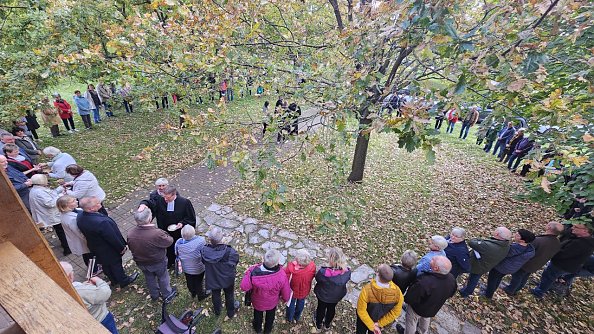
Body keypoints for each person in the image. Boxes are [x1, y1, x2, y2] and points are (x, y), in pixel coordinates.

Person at [77, 197, 138, 288]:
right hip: (108, 249)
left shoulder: (80, 216)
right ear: (91, 209)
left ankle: (113, 280)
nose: (100, 204)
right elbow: (112, 237)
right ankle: (123, 280)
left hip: (95, 247)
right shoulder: (101, 222)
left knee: (105, 265)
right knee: (116, 264)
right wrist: (121, 247)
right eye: (97, 203)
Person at [138, 185, 196, 268]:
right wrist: (143, 204)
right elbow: (149, 203)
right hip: (165, 230)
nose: (165, 200)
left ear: (174, 195)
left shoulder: (185, 202)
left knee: (180, 247)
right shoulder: (160, 200)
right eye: (164, 197)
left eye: (168, 198)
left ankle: (181, 260)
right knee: (168, 248)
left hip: (178, 232)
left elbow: (190, 217)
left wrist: (182, 223)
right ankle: (170, 261)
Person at [530, 223, 594, 298]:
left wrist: (550, 253)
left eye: (576, 227)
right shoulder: (580, 238)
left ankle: (539, 292)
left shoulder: (582, 244)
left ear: (585, 231)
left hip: (562, 265)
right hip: (564, 264)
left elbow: (563, 254)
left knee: (549, 276)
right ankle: (543, 285)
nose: (572, 228)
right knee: (549, 276)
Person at [399, 256, 456, 334]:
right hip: (432, 308)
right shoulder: (452, 279)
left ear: (436, 268)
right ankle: (422, 332)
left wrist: (406, 300)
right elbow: (451, 293)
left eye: (433, 260)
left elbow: (410, 298)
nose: (430, 260)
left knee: (411, 322)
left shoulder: (425, 282)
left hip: (417, 308)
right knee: (425, 318)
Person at [128, 208, 175, 301]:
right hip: (157, 262)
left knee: (149, 277)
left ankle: (154, 295)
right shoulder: (156, 233)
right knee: (163, 277)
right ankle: (167, 294)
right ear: (149, 219)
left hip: (141, 262)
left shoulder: (130, 233)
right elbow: (169, 241)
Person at [503, 222, 563, 295]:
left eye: (548, 224)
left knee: (517, 277)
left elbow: (524, 250)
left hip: (526, 263)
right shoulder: (557, 242)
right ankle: (516, 289)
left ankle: (510, 289)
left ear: (549, 227)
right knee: (524, 277)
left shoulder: (538, 240)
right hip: (536, 265)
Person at [241, 249, 291, 334]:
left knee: (257, 315)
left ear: (263, 259)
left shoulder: (254, 272)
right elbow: (286, 292)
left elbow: (244, 287)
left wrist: (249, 271)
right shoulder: (281, 275)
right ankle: (267, 330)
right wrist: (285, 299)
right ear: (276, 263)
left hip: (257, 301)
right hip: (272, 302)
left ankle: (258, 329)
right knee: (270, 316)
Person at [60, 261, 118, 334]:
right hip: (101, 319)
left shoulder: (59, 291)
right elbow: (105, 293)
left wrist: (86, 286)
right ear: (69, 276)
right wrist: (98, 281)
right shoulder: (80, 291)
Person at [459, 226, 511, 298]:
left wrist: (478, 239)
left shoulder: (489, 246)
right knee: (475, 278)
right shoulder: (507, 245)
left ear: (497, 234)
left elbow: (471, 242)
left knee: (471, 278)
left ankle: (465, 292)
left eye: (495, 230)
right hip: (486, 266)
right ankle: (467, 292)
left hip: (476, 264)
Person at [483, 229, 536, 298]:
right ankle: (491, 290)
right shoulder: (528, 249)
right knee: (498, 279)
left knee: (492, 280)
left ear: (522, 240)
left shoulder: (514, 248)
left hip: (501, 267)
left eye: (517, 235)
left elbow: (502, 254)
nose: (515, 234)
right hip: (510, 268)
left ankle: (488, 295)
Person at [201, 227, 240, 319]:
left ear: (210, 239)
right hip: (227, 279)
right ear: (222, 238)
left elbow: (203, 261)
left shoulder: (204, 250)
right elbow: (235, 261)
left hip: (213, 278)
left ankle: (217, 311)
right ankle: (230, 312)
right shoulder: (231, 252)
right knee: (229, 294)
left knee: (215, 294)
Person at [29, 174, 70, 255]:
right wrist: (61, 195)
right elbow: (50, 203)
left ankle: (65, 245)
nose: (47, 181)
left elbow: (51, 193)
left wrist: (60, 188)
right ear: (41, 181)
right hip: (51, 215)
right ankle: (67, 248)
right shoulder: (39, 192)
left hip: (50, 214)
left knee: (60, 230)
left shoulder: (37, 189)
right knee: (61, 231)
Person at [356, 264, 403, 334]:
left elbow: (361, 310)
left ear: (377, 274)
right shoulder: (398, 293)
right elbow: (396, 312)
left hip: (363, 320)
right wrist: (379, 324)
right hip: (378, 321)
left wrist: (371, 325)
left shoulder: (366, 290)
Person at [313, 247, 351, 332]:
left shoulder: (324, 272)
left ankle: (318, 324)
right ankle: (327, 324)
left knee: (321, 308)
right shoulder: (347, 272)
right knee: (331, 309)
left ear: (331, 259)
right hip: (336, 297)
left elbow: (317, 279)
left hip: (323, 296)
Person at [57, 195, 96, 272]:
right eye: (73, 201)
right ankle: (93, 271)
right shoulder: (71, 219)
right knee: (89, 256)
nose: (76, 201)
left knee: (87, 255)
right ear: (66, 205)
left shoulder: (71, 211)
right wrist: (88, 240)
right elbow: (79, 232)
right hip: (82, 241)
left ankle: (93, 268)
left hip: (80, 240)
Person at [175, 225, 210, 300]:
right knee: (199, 281)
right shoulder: (201, 240)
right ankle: (200, 295)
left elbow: (176, 253)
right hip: (199, 268)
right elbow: (205, 251)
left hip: (187, 268)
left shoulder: (178, 243)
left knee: (189, 280)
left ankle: (193, 292)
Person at [284, 249, 316, 323]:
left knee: (291, 304)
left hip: (293, 292)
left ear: (297, 260)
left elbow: (285, 277)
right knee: (301, 302)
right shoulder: (312, 266)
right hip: (305, 290)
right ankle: (297, 317)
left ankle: (289, 317)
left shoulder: (291, 269)